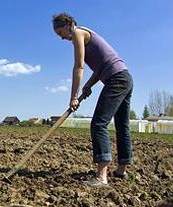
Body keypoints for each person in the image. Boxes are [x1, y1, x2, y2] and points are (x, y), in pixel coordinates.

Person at [53, 13, 134, 187]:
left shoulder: (77, 33)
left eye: (61, 33)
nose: (62, 38)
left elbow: (79, 66)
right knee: (122, 125)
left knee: (98, 124)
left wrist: (74, 96)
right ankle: (121, 171)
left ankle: (101, 177)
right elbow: (100, 67)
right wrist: (88, 86)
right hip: (125, 77)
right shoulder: (87, 35)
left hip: (116, 79)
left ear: (68, 25)